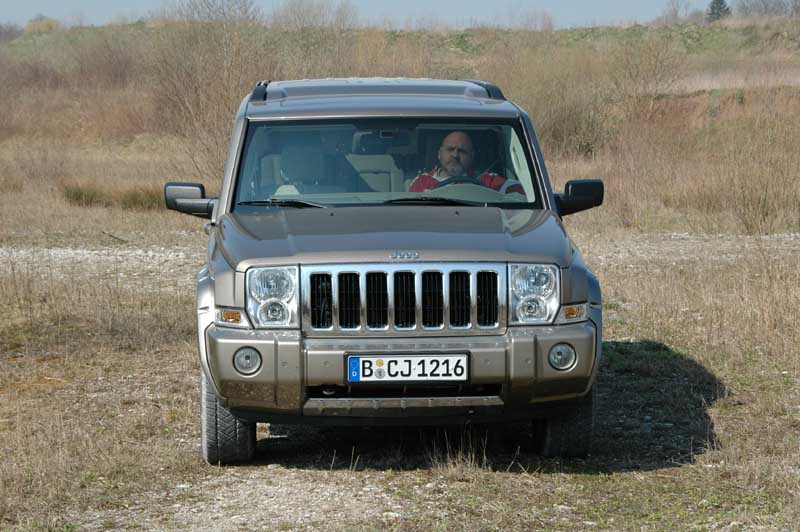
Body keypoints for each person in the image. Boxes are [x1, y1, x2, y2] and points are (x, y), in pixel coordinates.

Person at [408, 131, 523, 194]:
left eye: (462, 151)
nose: (455, 155)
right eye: (450, 149)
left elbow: (521, 192)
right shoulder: (423, 182)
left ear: (471, 157)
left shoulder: (486, 180)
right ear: (439, 154)